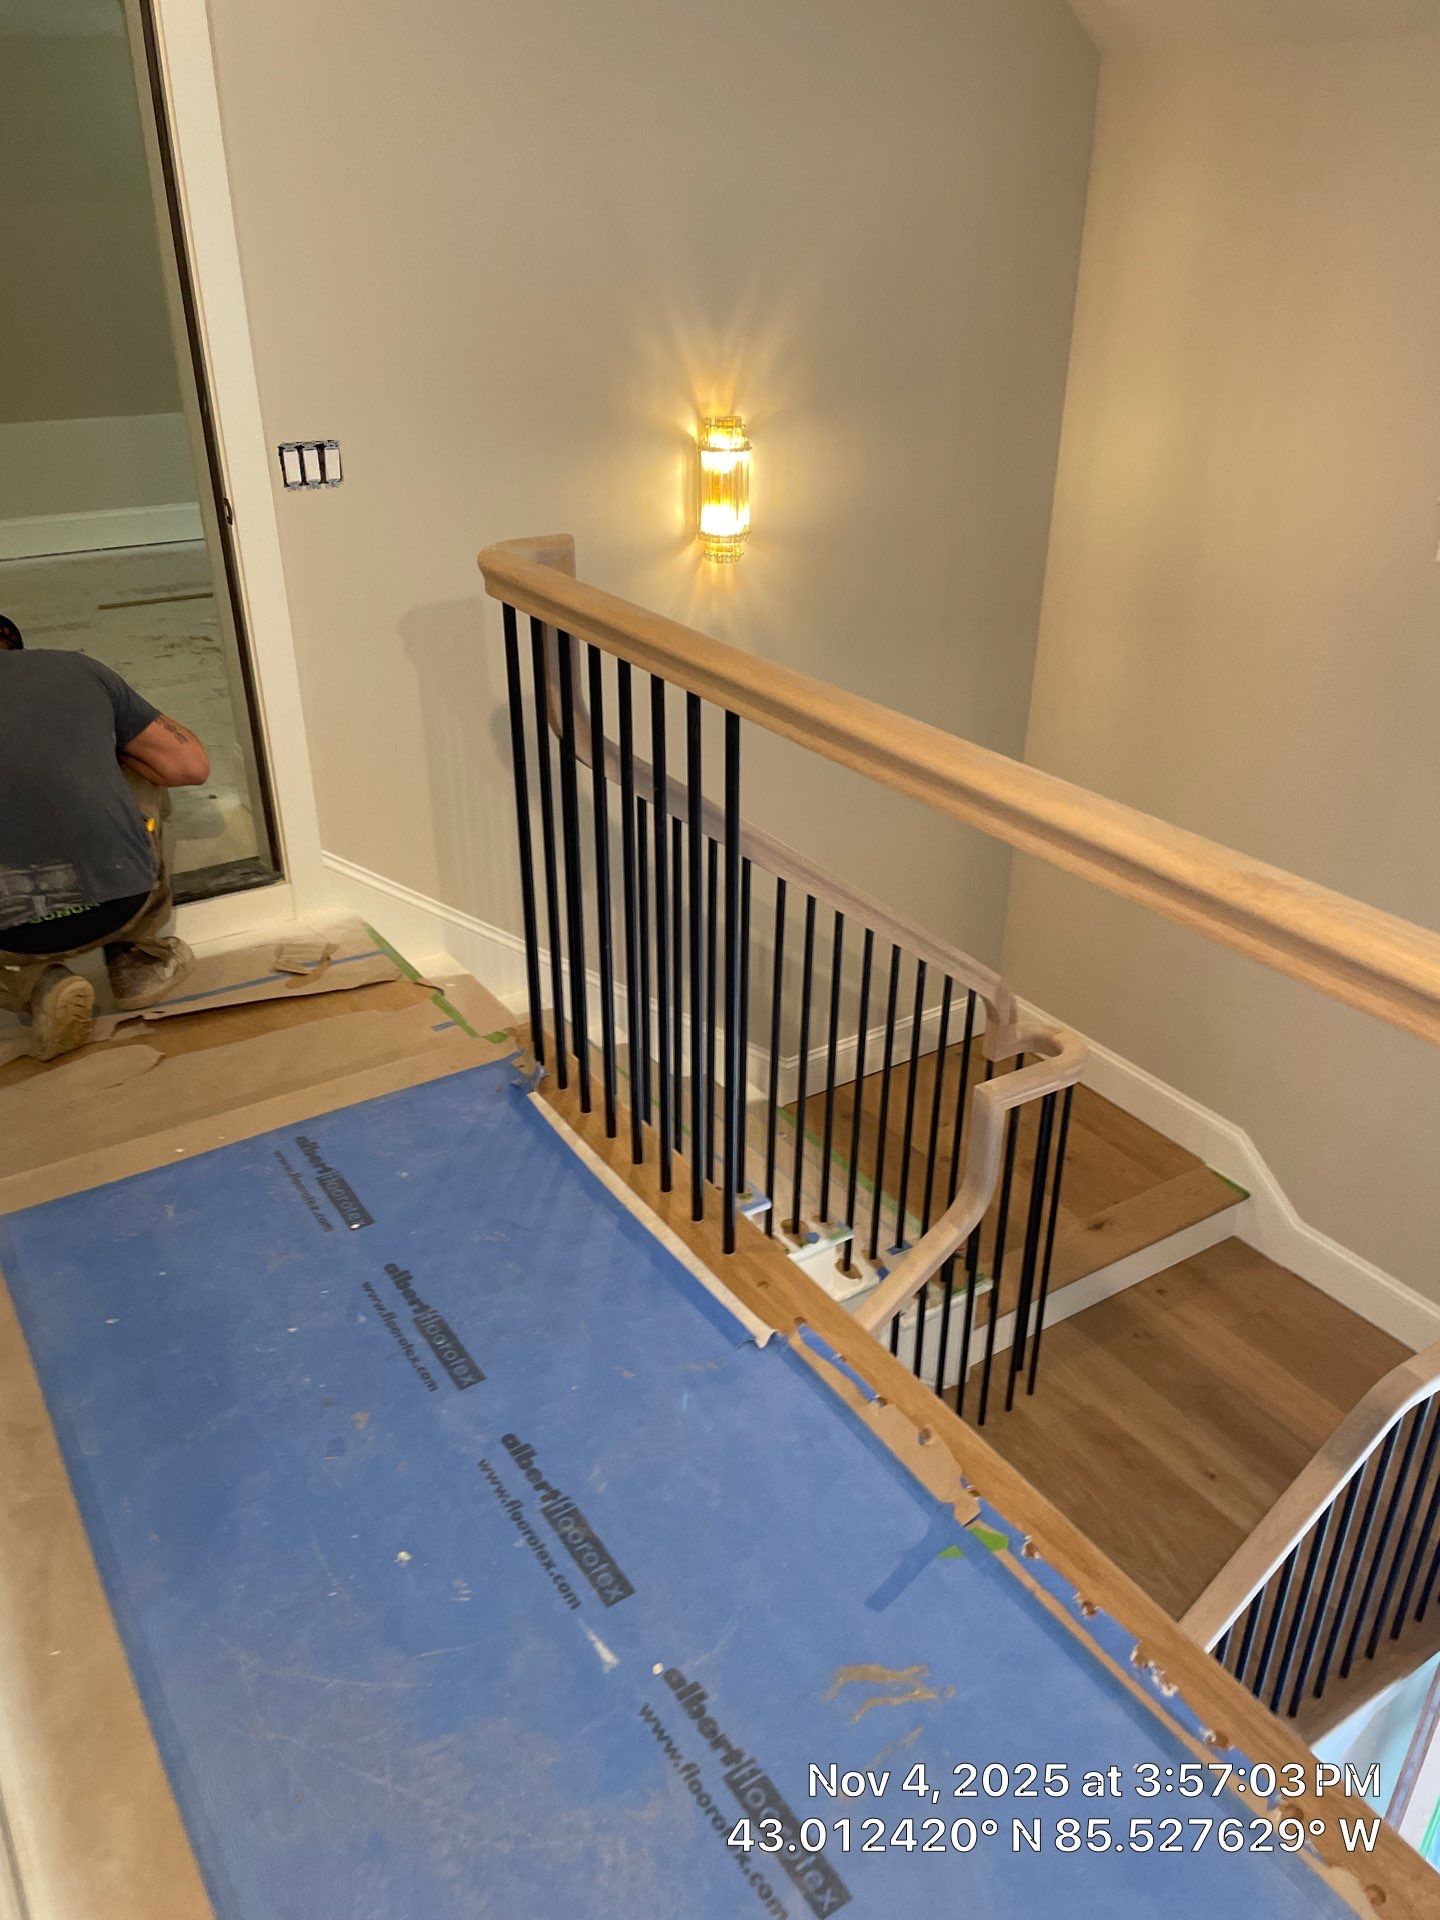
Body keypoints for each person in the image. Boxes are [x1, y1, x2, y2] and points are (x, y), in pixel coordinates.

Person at [0, 613, 210, 1059]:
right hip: (118, 905)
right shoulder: (75, 669)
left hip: (11, 936)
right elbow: (189, 767)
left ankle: (36, 983)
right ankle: (137, 958)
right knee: (140, 765)